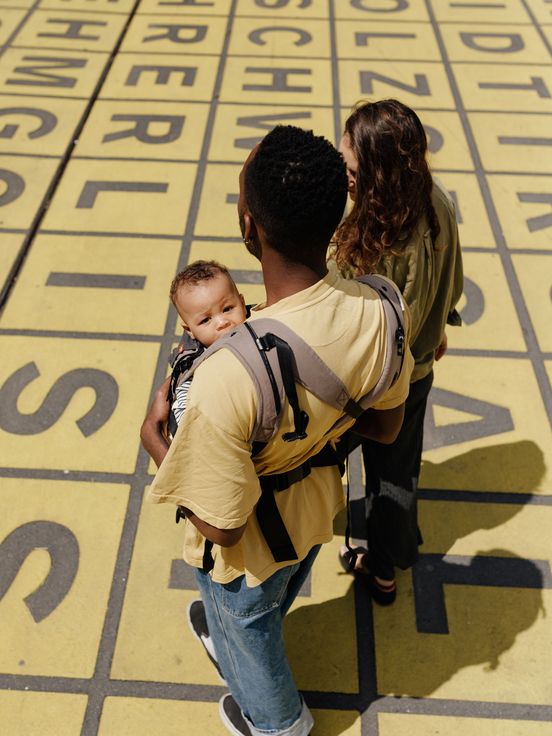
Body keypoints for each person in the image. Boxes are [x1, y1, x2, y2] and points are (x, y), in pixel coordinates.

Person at [141, 125, 414, 736]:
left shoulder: (225, 375)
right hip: (317, 506)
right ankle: (231, 637)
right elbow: (388, 425)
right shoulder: (382, 304)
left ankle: (279, 721)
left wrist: (157, 443)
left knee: (248, 621)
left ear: (249, 226)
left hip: (250, 544)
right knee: (268, 603)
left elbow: (222, 522)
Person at [333, 99, 463, 605]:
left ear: (379, 174)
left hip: (369, 387)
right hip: (420, 370)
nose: (343, 176)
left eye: (351, 168)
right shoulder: (437, 199)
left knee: (319, 465)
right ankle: (387, 565)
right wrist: (438, 324)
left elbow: (356, 329)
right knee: (398, 473)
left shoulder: (374, 238)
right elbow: (450, 281)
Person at [166, 260, 247, 432]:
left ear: (242, 303)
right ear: (190, 331)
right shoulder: (194, 366)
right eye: (205, 320)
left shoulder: (261, 327)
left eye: (227, 309)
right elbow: (182, 413)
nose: (222, 322)